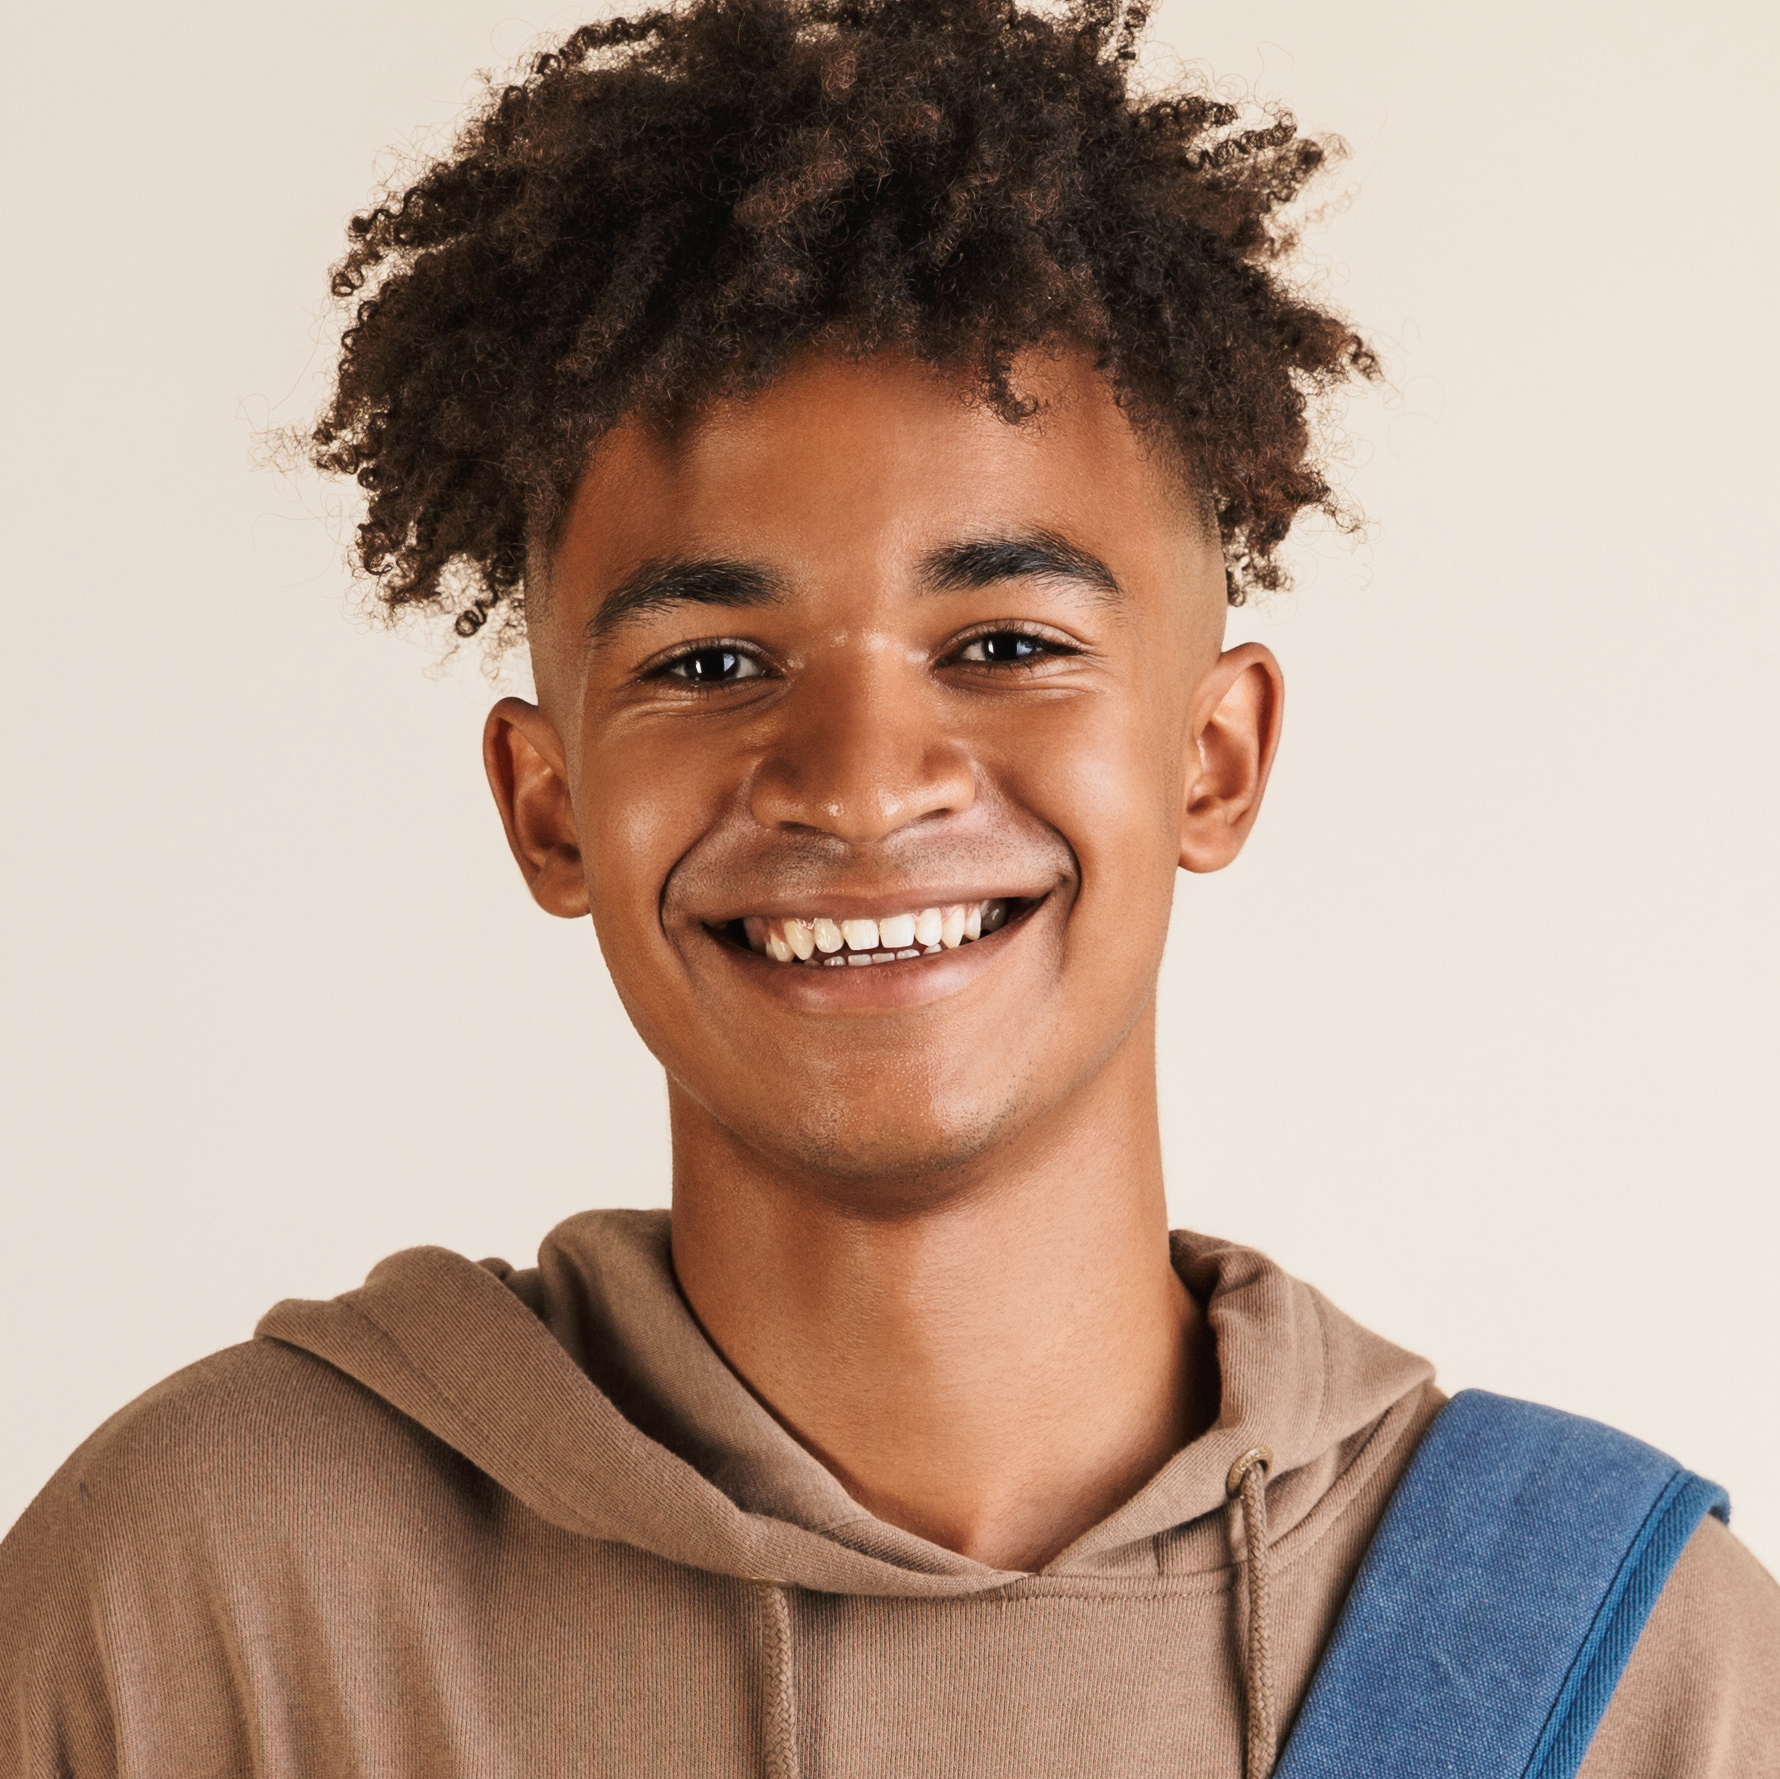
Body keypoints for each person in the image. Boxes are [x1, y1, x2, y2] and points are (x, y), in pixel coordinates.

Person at [2, 0, 1775, 1773]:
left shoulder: (1629, 1668)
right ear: (549, 809)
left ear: (1212, 760)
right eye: (708, 663)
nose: (859, 781)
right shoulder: (208, 1607)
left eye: (1003, 640)